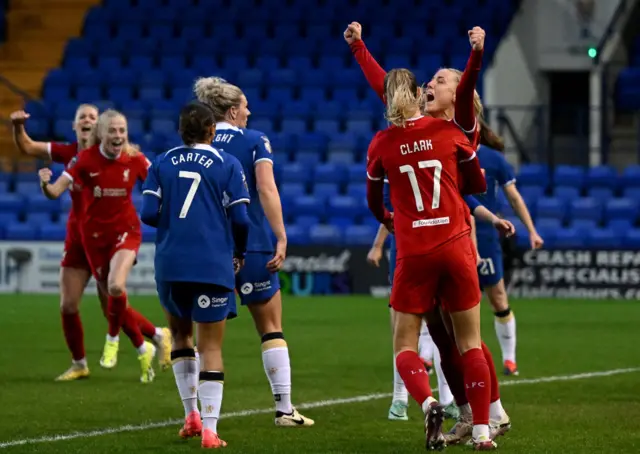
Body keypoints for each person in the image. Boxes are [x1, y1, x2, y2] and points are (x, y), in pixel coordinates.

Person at [346, 22, 512, 445]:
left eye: (440, 79)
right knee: (448, 340)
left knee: (463, 340)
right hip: (448, 242)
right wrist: (360, 47)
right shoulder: (434, 131)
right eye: (429, 80)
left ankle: (491, 412)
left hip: (430, 244)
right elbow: (387, 87)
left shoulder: (459, 125)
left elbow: (463, 82)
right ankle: (472, 416)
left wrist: (475, 55)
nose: (429, 83)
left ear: (457, 94)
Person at [366, 68, 497, 450]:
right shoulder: (450, 133)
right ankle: (483, 432)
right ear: (419, 94)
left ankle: (426, 401)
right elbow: (478, 185)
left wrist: (388, 220)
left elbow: (374, 202)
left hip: (414, 252)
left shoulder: (382, 143)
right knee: (470, 343)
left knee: (405, 345)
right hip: (455, 245)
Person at [10, 106, 172, 380]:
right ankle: (80, 363)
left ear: (100, 128)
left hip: (113, 235)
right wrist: (17, 127)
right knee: (68, 304)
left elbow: (151, 175)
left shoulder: (119, 154)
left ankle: (152, 337)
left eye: (92, 117)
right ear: (75, 126)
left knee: (111, 299)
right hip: (80, 237)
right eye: (81, 117)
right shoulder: (72, 154)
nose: (86, 120)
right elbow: (28, 147)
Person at [194, 76, 314, 427]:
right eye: (245, 105)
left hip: (209, 248)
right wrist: (281, 236)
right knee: (271, 327)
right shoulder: (254, 140)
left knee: (207, 337)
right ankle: (284, 409)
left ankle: (198, 416)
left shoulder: (197, 144)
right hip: (253, 242)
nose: (249, 111)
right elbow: (266, 188)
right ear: (232, 110)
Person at [141, 102, 250, 449]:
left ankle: (191, 416)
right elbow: (242, 220)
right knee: (211, 346)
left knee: (180, 337)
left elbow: (147, 213)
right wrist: (238, 253)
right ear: (211, 131)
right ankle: (210, 430)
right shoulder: (227, 163)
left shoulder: (161, 162)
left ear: (180, 131)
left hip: (171, 263)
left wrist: (176, 224)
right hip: (211, 263)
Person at [368, 183, 515, 423]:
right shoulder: (445, 150)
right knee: (454, 336)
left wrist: (377, 244)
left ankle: (416, 401)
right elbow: (467, 202)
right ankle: (474, 417)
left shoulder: (393, 152)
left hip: (413, 254)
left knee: (414, 335)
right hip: (446, 250)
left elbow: (387, 211)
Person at [474, 142, 543, 376]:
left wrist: (531, 230)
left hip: (485, 237)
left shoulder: (492, 159)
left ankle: (509, 360)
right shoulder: (445, 149)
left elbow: (514, 197)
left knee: (498, 297)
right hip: (453, 233)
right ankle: (427, 359)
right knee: (442, 300)